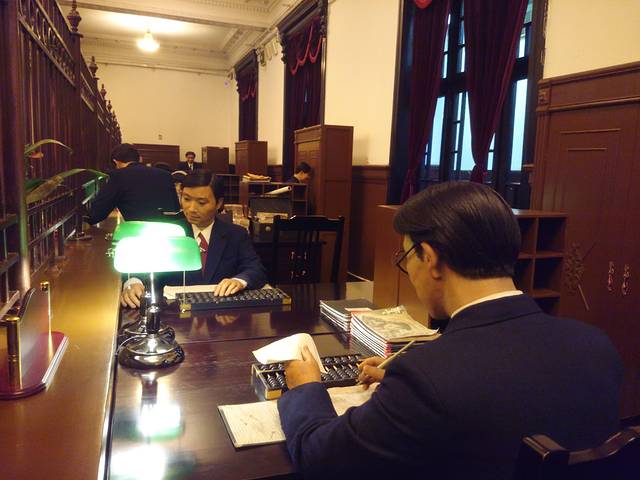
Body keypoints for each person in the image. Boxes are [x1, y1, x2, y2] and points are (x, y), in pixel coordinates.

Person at [278, 181, 623, 480]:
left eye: (406, 259)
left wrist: (306, 387)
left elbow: (321, 458)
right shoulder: (596, 346)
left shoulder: (426, 380)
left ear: (430, 258)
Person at [121, 170, 267, 308]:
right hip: (173, 312)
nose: (191, 208)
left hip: (220, 313)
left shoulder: (236, 234)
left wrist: (239, 281)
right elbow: (140, 266)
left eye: (201, 202)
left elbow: (255, 269)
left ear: (218, 203)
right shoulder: (168, 232)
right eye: (186, 199)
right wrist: (133, 282)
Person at [87, 143, 179, 224]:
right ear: (139, 159)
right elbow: (175, 207)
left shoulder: (118, 176)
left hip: (137, 230)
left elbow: (97, 214)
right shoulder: (165, 174)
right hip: (170, 228)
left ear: (115, 162)